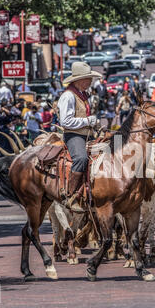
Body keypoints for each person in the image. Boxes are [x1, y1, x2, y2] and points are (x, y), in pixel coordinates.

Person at [57, 62, 100, 212]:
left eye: (90, 78)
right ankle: (71, 195)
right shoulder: (68, 96)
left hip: (87, 133)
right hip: (74, 135)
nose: (90, 81)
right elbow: (65, 121)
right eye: (87, 78)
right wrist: (87, 121)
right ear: (78, 80)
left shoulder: (82, 95)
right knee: (81, 158)